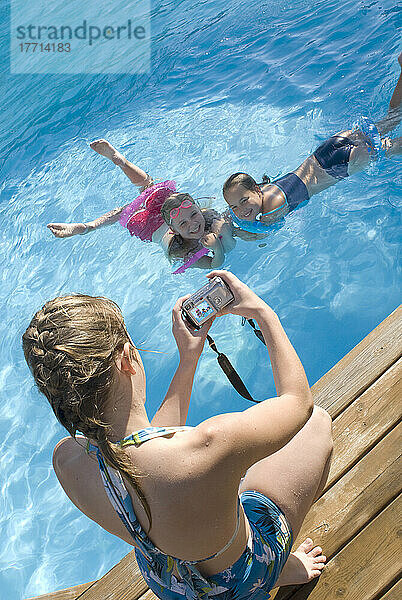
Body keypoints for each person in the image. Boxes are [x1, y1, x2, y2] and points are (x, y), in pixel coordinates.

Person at [22, 270, 333, 599]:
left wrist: (189, 358)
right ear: (128, 359)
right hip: (243, 575)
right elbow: (298, 403)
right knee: (317, 425)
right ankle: (275, 570)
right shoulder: (208, 445)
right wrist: (260, 311)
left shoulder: (68, 460)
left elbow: (146, 448)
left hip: (175, 586)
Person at [224, 52, 402, 230]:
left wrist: (238, 228)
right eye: (235, 206)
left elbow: (263, 232)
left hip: (336, 167)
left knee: (391, 148)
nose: (241, 209)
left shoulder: (272, 207)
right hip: (328, 149)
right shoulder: (265, 189)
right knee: (390, 120)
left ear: (256, 189)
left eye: (243, 201)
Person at [47, 140, 236, 270]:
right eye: (184, 225)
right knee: (130, 207)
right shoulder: (181, 251)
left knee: (146, 188)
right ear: (174, 230)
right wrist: (218, 248)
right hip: (149, 226)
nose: (193, 224)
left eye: (194, 215)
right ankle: (89, 226)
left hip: (169, 212)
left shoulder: (204, 216)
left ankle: (121, 164)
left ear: (196, 208)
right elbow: (214, 264)